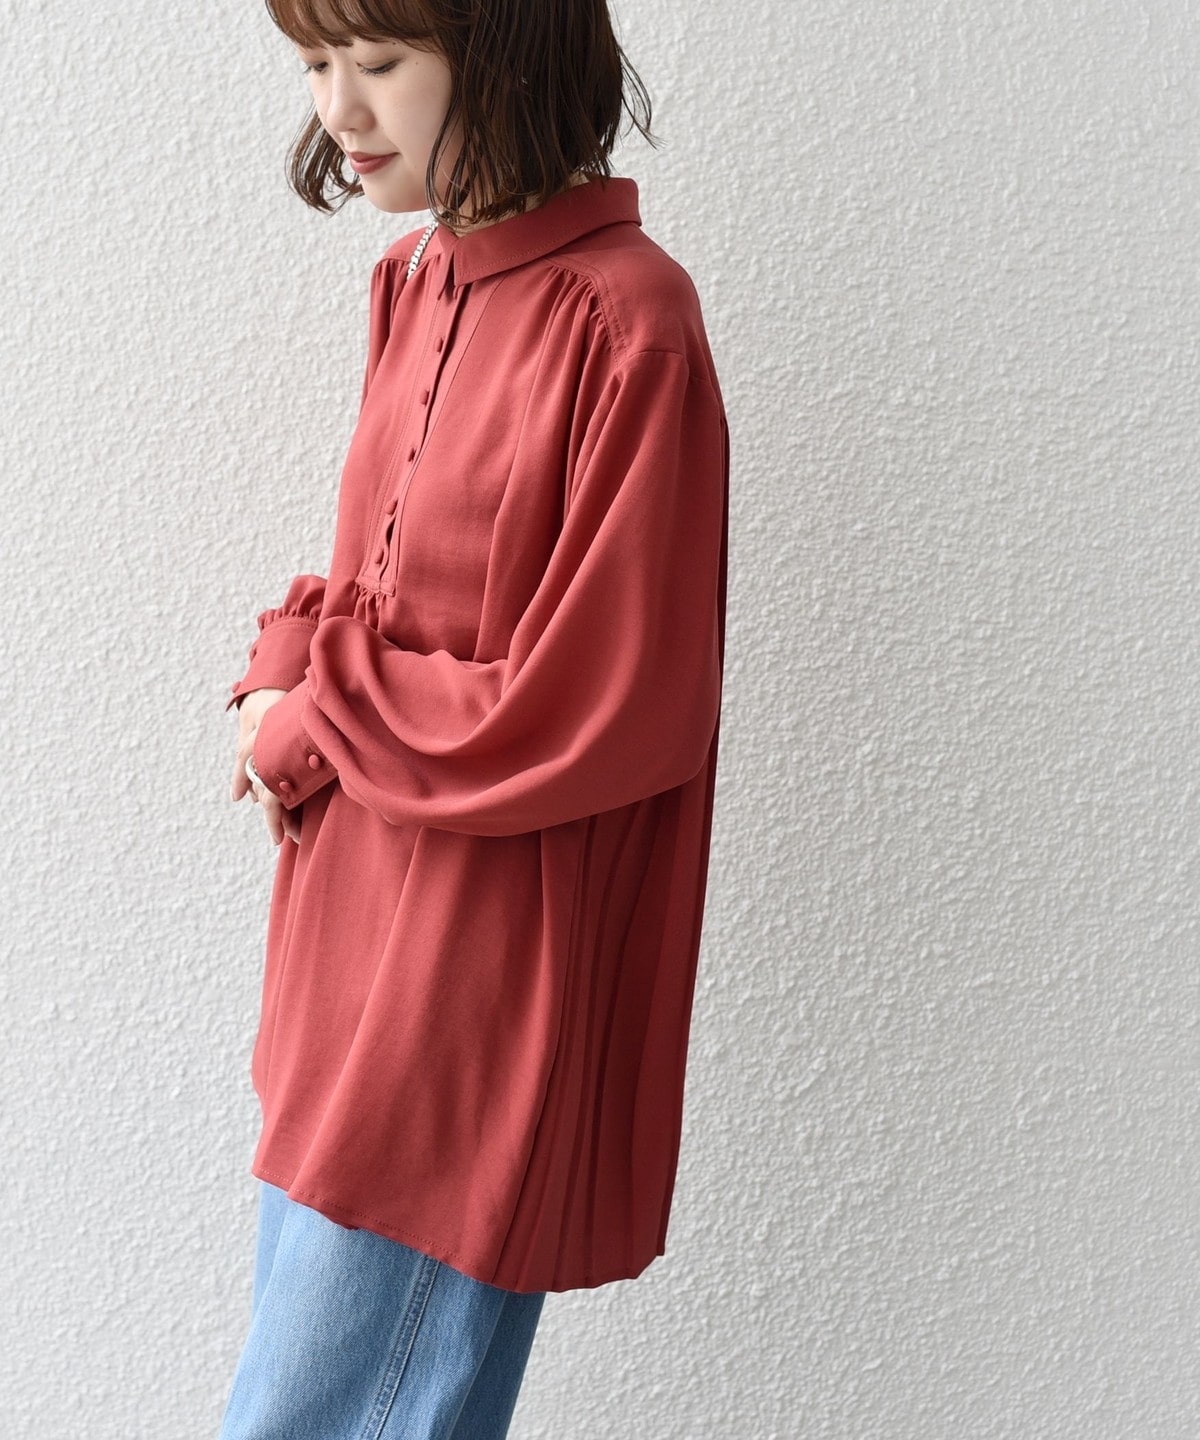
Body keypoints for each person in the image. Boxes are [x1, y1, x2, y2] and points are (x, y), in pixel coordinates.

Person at [219, 0, 728, 1435]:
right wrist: (280, 673)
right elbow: (384, 592)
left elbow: (603, 705)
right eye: (316, 65)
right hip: (343, 941)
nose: (338, 109)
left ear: (505, 48)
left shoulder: (629, 322)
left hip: (475, 978)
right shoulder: (418, 278)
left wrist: (316, 708)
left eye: (378, 63)